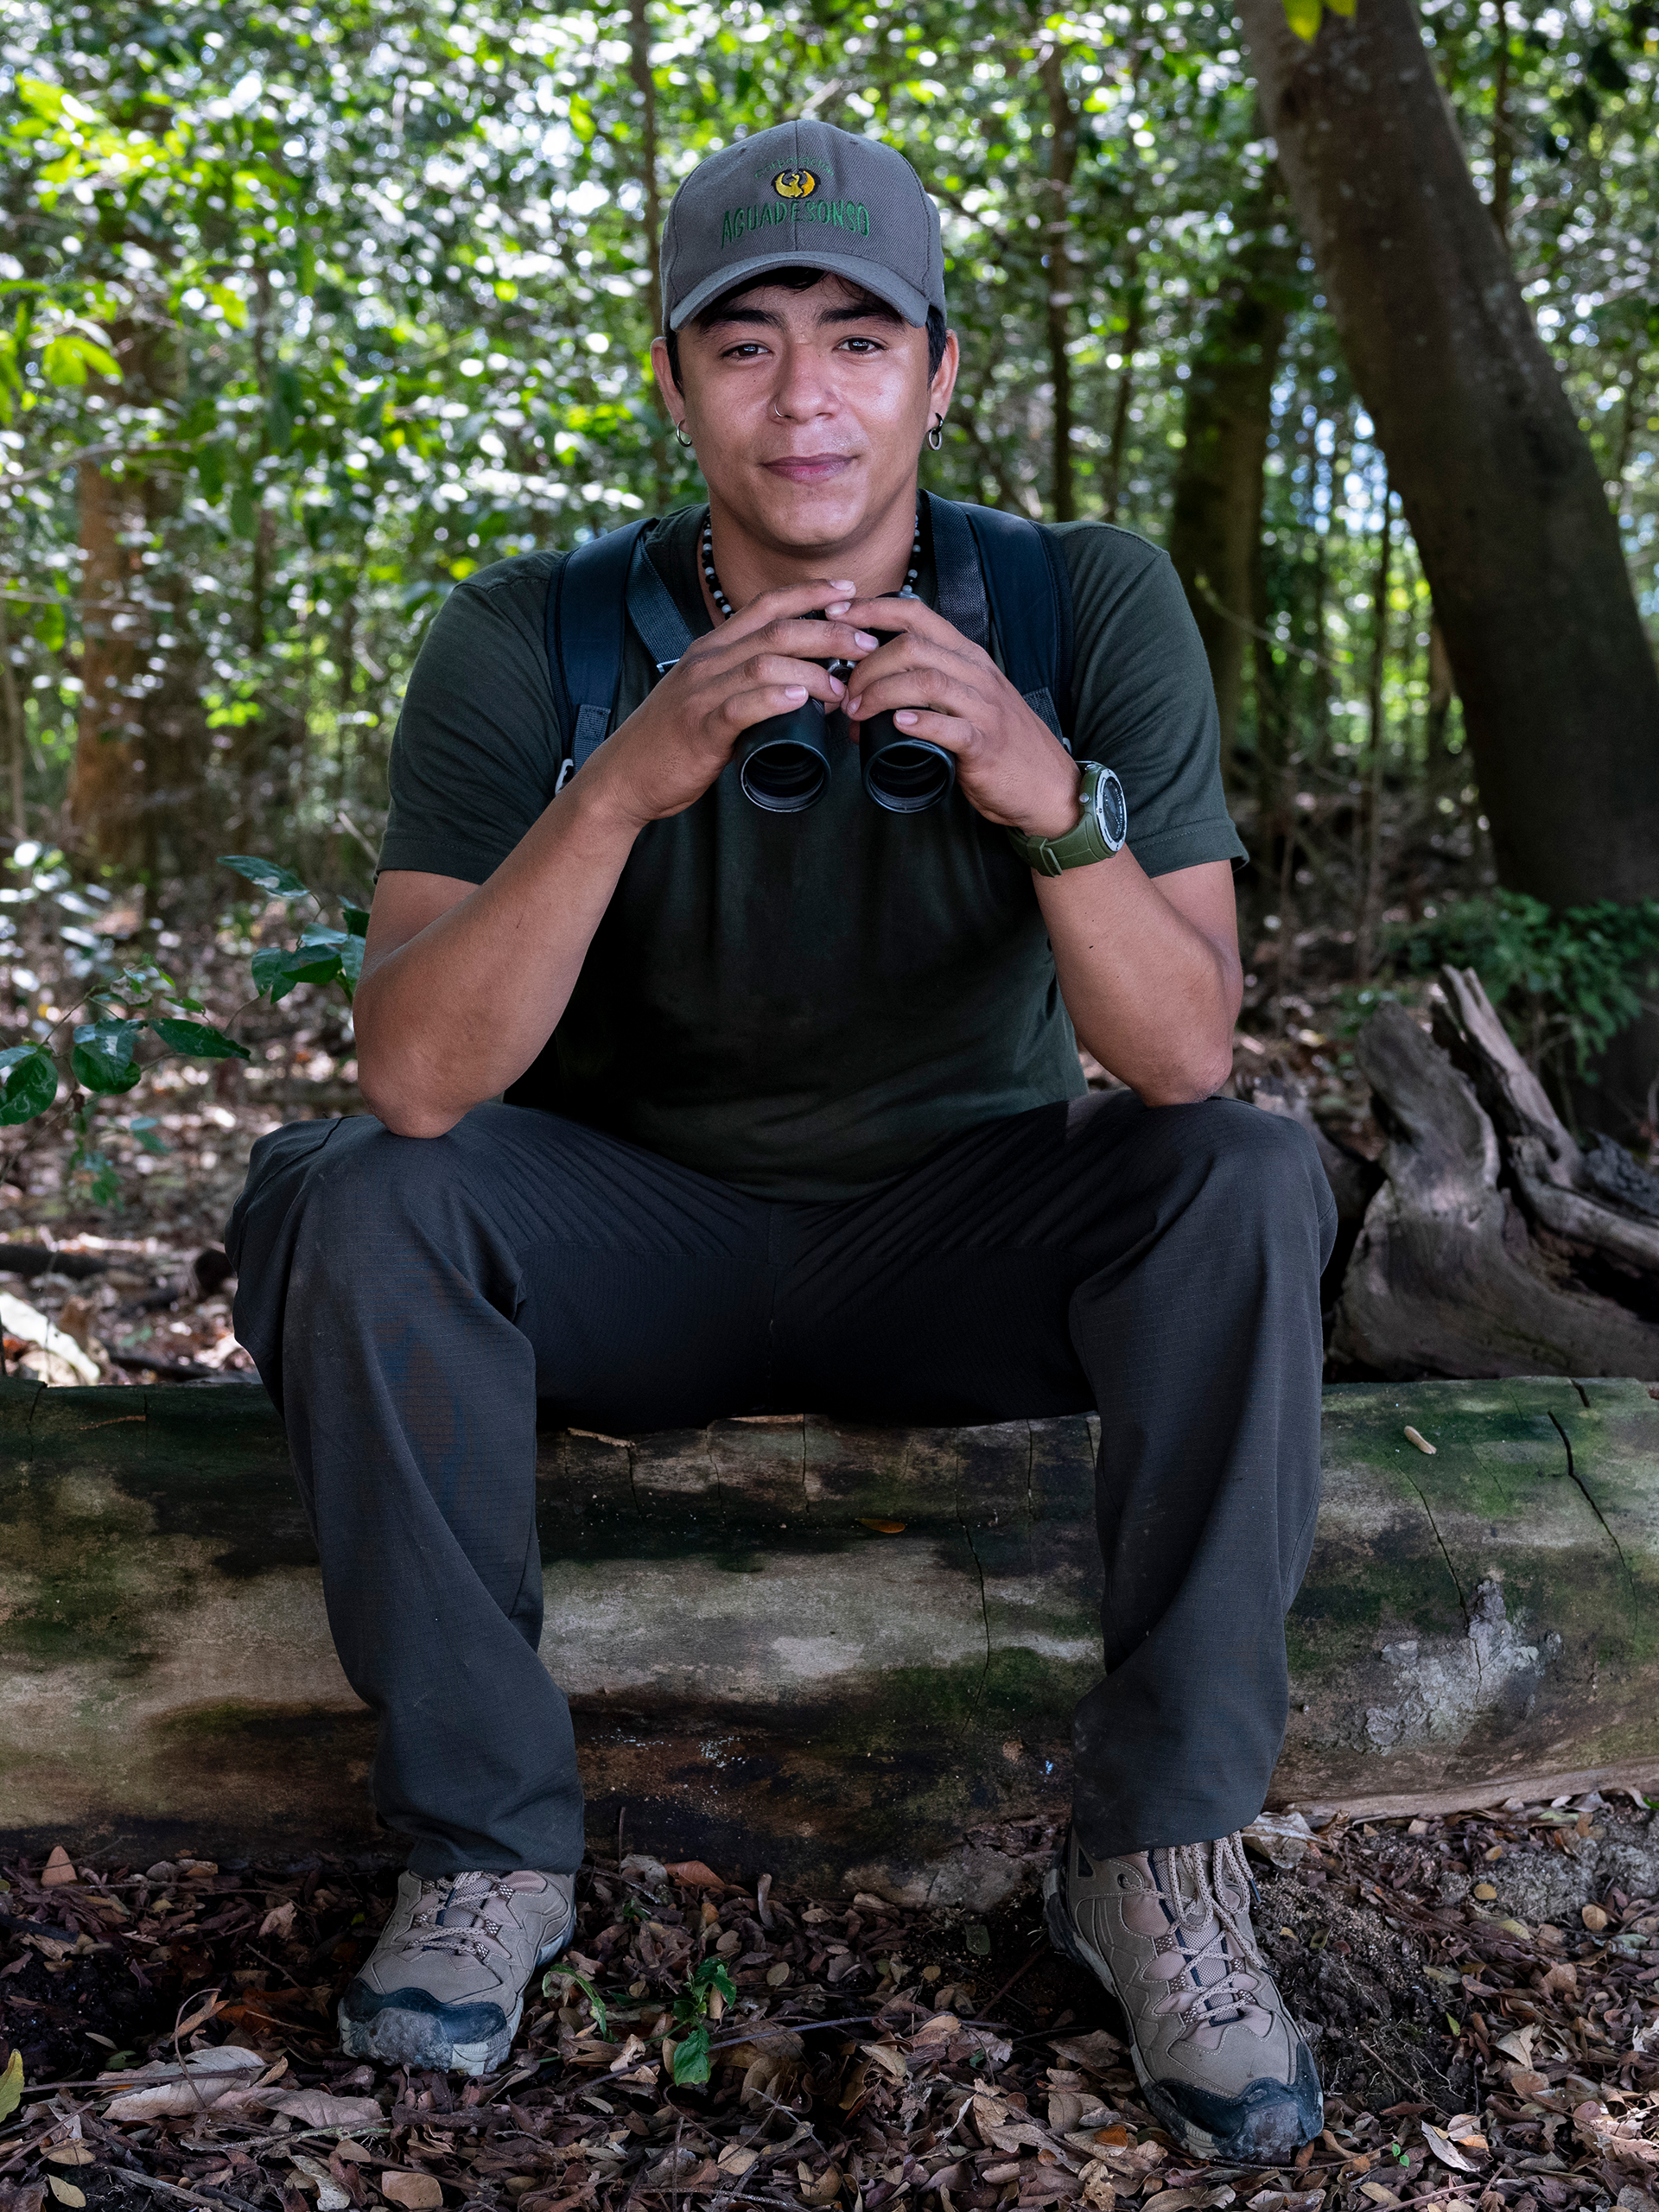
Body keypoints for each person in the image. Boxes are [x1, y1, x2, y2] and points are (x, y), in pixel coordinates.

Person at [227, 118, 1334, 2161]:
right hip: (621, 1240)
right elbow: (413, 1080)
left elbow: (1180, 1054)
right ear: (671, 378)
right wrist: (622, 783)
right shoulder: (525, 636)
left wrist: (1038, 780)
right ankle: (490, 1854)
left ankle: (1159, 1857)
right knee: (352, 1191)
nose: (804, 397)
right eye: (741, 344)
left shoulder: (1086, 600)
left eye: (855, 338)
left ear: (937, 370)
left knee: (1249, 1174)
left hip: (955, 1235)